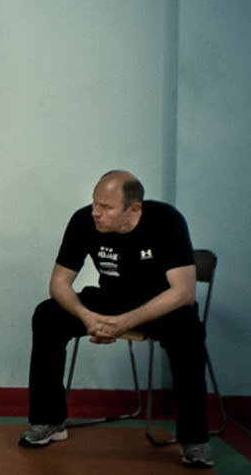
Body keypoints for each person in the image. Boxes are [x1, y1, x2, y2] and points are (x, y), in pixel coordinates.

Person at [19, 170, 213, 469]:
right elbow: (59, 283)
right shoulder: (84, 221)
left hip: (157, 305)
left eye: (106, 207)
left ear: (133, 208)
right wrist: (87, 315)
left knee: (187, 331)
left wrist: (122, 323)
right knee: (47, 315)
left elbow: (183, 293)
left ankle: (195, 440)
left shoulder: (166, 221)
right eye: (95, 203)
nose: (96, 213)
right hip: (108, 300)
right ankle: (49, 422)